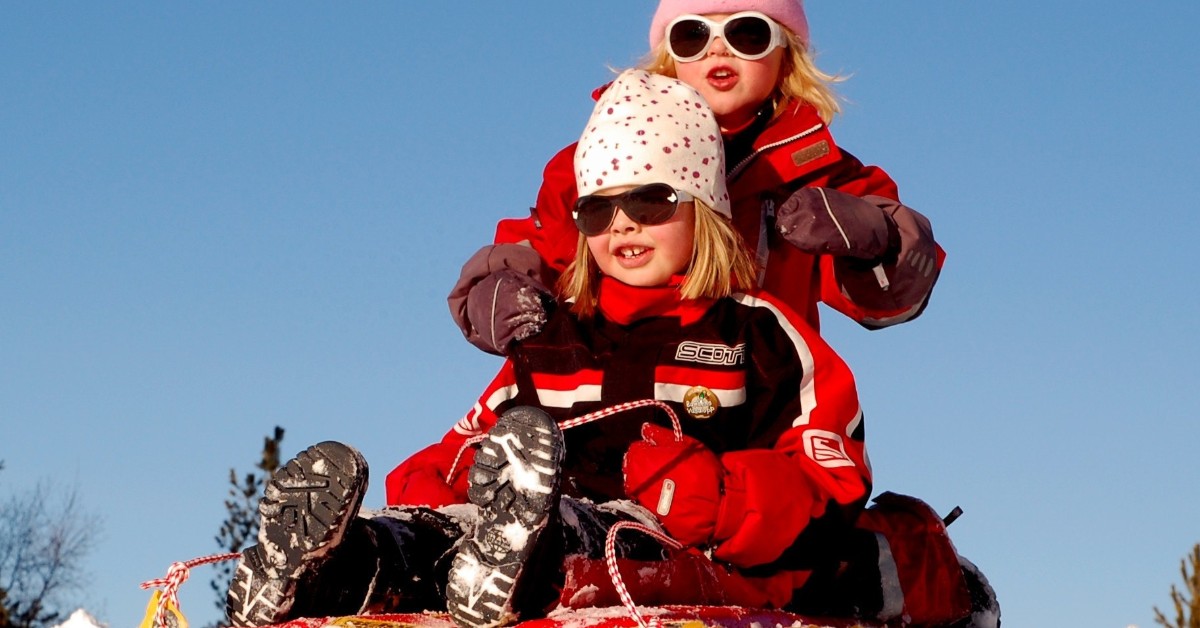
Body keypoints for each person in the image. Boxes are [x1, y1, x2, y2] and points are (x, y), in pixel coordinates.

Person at [225, 71, 995, 628]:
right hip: (512, 523)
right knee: (436, 535)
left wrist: (718, 494)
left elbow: (829, 479)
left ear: (706, 214)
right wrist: (433, 485)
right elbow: (469, 439)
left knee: (590, 537)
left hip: (663, 540)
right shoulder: (555, 337)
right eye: (600, 209)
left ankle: (514, 553)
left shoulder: (757, 335)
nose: (623, 224)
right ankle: (341, 564)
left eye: (652, 201)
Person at [450, 0, 944, 357]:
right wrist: (500, 287)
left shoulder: (818, 174)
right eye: (693, 35)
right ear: (671, 54)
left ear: (786, 52)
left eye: (748, 33)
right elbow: (548, 244)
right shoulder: (603, 157)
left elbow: (891, 300)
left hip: (759, 390)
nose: (717, 50)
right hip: (621, 376)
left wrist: (874, 240)